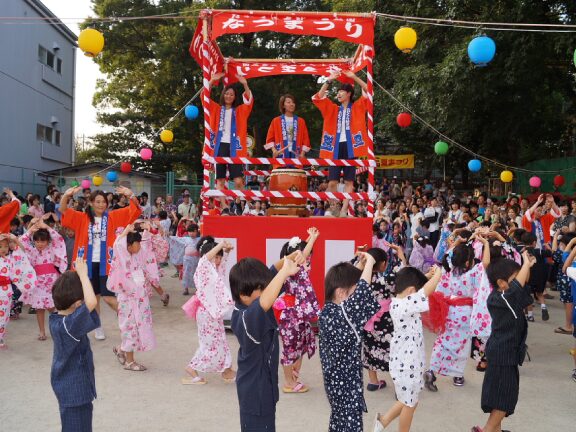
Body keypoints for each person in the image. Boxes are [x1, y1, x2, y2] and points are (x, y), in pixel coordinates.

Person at [229, 253, 301, 431]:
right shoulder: (245, 317)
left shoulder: (252, 299)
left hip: (264, 387)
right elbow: (264, 300)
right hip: (255, 393)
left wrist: (290, 258)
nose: (268, 291)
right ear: (243, 295)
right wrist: (284, 272)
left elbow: (272, 273)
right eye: (262, 289)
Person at [59, 185, 141, 340]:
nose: (101, 205)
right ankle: (98, 327)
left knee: (108, 297)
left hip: (108, 264)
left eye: (103, 202)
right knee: (93, 297)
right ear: (90, 203)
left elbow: (134, 210)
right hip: (87, 263)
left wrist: (130, 195)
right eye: (97, 202)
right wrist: (66, 196)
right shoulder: (82, 217)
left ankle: (131, 317)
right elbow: (63, 211)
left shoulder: (113, 216)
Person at [471, 252, 535, 432]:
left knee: (499, 394)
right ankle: (487, 430)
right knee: (505, 398)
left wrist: (527, 266)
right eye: (514, 278)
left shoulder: (507, 296)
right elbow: (515, 288)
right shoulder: (500, 298)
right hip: (503, 354)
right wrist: (525, 264)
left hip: (504, 353)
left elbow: (520, 286)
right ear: (501, 282)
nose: (519, 282)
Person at [373, 265, 443, 432]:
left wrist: (426, 275)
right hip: (407, 364)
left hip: (407, 362)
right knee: (410, 405)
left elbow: (415, 287)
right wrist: (438, 274)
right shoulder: (406, 305)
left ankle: (382, 422)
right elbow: (425, 291)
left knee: (409, 400)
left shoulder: (398, 302)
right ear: (411, 291)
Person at [319, 252, 380, 432]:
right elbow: (361, 294)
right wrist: (370, 262)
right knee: (350, 425)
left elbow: (355, 292)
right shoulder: (341, 315)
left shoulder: (329, 311)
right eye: (352, 292)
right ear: (340, 293)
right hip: (346, 386)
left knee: (339, 422)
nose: (355, 296)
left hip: (337, 383)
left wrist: (359, 266)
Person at [425, 234, 491, 390]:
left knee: (443, 341)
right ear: (468, 262)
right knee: (461, 345)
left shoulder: (448, 272)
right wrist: (486, 243)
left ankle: (431, 370)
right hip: (465, 313)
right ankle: (458, 375)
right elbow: (486, 262)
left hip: (449, 311)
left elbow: (448, 254)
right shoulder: (472, 273)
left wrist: (457, 243)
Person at [50, 258, 99, 432]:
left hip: (72, 388)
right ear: (78, 303)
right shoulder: (69, 325)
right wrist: (83, 276)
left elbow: (89, 304)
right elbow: (92, 303)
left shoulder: (58, 318)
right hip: (74, 391)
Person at [313, 70, 370, 217]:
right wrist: (329, 80)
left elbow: (368, 89)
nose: (338, 94)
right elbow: (318, 97)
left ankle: (344, 209)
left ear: (349, 94)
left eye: (341, 92)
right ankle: (333, 208)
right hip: (335, 147)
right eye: (337, 92)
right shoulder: (332, 109)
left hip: (352, 147)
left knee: (349, 181)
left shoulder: (357, 106)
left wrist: (354, 77)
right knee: (332, 182)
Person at [182, 236, 236, 384]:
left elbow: (222, 264)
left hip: (212, 313)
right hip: (206, 313)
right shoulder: (203, 267)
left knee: (220, 341)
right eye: (216, 257)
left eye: (219, 257)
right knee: (211, 343)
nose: (218, 260)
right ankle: (192, 367)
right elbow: (206, 259)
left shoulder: (214, 271)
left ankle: (227, 370)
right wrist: (220, 245)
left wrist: (226, 251)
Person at [107, 224, 160, 371]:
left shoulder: (137, 255)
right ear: (128, 246)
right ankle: (130, 362)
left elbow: (147, 249)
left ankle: (121, 350)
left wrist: (147, 231)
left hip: (140, 297)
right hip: (128, 298)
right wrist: (125, 232)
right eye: (137, 243)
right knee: (129, 327)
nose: (140, 246)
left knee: (138, 327)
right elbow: (118, 245)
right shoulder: (122, 258)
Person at [275, 228, 320, 393]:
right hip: (291, 314)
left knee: (301, 345)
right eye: (304, 256)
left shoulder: (301, 266)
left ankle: (293, 375)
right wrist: (312, 238)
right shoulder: (290, 266)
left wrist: (310, 238)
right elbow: (302, 254)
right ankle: (289, 382)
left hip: (300, 313)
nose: (307, 259)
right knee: (290, 348)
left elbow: (304, 253)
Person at [362, 246, 406, 392]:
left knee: (369, 348)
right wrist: (400, 253)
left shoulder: (361, 280)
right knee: (393, 350)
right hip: (385, 321)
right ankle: (399, 386)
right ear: (382, 264)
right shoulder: (385, 280)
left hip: (367, 320)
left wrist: (362, 258)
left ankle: (373, 382)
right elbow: (402, 272)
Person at [20, 218, 68, 341]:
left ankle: (57, 330)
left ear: (48, 241)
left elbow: (59, 239)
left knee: (53, 308)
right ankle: (42, 332)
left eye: (43, 241)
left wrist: (46, 227)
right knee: (39, 309)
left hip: (52, 282)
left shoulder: (52, 249)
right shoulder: (31, 251)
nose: (40, 243)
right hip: (38, 283)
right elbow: (22, 241)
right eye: (37, 241)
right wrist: (31, 230)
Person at [208, 72, 254, 199]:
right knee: (220, 180)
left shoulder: (240, 111)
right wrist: (211, 81)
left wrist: (245, 84)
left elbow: (249, 103)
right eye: (227, 93)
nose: (229, 96)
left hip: (235, 147)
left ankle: (241, 203)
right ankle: (223, 206)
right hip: (219, 146)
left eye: (232, 94)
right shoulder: (216, 109)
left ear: (235, 97)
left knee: (238, 180)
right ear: (223, 95)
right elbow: (204, 98)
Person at [0, 233, 36, 348]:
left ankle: (0, 338)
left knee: (4, 316)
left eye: (6, 246)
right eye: (0, 246)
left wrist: (15, 240)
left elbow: (22, 252)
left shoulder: (10, 260)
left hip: (6, 292)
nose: (3, 249)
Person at [265, 94, 311, 161]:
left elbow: (306, 139)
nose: (292, 104)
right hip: (280, 155)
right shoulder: (276, 121)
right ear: (283, 105)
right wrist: (274, 150)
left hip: (296, 155)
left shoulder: (301, 121)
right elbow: (270, 139)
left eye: (293, 102)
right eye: (288, 102)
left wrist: (302, 153)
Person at [521, 231, 552, 322]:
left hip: (528, 277)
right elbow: (550, 253)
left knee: (529, 296)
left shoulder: (523, 252)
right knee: (540, 294)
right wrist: (548, 247)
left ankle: (530, 316)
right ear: (534, 242)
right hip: (540, 277)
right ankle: (543, 307)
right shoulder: (539, 251)